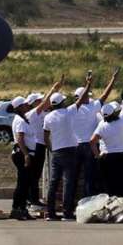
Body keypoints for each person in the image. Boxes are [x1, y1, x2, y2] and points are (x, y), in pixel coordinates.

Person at [70, 69, 119, 198]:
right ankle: (88, 202)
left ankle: (69, 206)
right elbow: (105, 94)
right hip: (89, 145)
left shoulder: (71, 110)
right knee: (89, 177)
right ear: (84, 96)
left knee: (72, 178)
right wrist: (113, 79)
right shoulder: (92, 107)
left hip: (74, 146)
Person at [43, 75, 79, 221]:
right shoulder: (68, 112)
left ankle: (50, 213)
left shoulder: (48, 117)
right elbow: (80, 101)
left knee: (54, 182)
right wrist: (88, 84)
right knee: (68, 182)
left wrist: (51, 148)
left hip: (56, 151)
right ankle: (67, 212)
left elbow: (45, 135)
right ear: (62, 103)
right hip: (70, 150)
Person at [90, 92, 123, 197]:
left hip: (108, 157)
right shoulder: (122, 120)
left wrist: (97, 155)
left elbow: (92, 141)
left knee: (109, 186)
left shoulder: (102, 125)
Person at [9, 96, 37, 220]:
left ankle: (22, 208)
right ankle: (17, 208)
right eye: (25, 104)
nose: (28, 106)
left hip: (25, 152)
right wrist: (26, 155)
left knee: (25, 183)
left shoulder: (23, 118)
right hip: (22, 153)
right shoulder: (20, 121)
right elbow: (20, 139)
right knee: (22, 183)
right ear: (20, 107)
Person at [24, 92, 47, 208]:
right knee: (35, 174)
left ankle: (31, 199)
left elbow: (47, 104)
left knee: (36, 175)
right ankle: (33, 199)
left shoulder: (40, 113)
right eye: (39, 100)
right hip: (37, 145)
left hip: (41, 145)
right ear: (34, 103)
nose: (41, 102)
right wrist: (53, 89)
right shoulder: (32, 113)